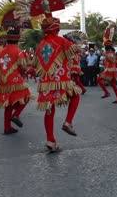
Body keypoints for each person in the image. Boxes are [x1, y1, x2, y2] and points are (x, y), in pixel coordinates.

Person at [34, 18, 81, 152]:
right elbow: (75, 50)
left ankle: (50, 140)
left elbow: (34, 63)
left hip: (46, 81)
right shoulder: (61, 40)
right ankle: (68, 122)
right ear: (56, 29)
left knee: (49, 109)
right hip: (62, 79)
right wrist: (78, 45)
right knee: (76, 94)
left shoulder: (41, 44)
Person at [0, 29, 32, 135]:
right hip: (15, 81)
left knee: (8, 105)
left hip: (3, 82)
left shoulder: (0, 53)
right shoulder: (19, 51)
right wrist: (26, 70)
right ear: (17, 40)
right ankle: (16, 115)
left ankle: (7, 128)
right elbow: (23, 67)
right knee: (27, 97)